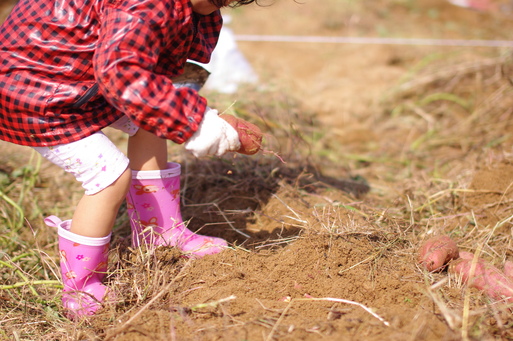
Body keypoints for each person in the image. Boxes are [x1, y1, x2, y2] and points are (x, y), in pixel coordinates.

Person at [0, 0, 257, 319]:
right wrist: (198, 123)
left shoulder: (183, 8)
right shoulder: (143, 3)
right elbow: (121, 71)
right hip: (37, 94)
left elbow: (148, 69)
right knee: (109, 176)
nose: (226, 4)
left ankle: (161, 234)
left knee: (152, 122)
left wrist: (186, 110)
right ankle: (81, 288)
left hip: (83, 80)